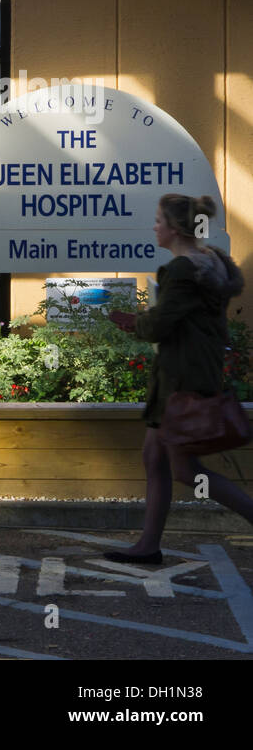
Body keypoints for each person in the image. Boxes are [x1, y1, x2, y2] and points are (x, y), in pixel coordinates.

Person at [106, 193, 253, 563]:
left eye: (158, 220)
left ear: (174, 228)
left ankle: (149, 546)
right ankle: (148, 546)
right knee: (155, 459)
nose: (154, 226)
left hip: (180, 379)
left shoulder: (184, 271)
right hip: (188, 371)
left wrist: (132, 320)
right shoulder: (208, 265)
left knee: (186, 469)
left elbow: (160, 325)